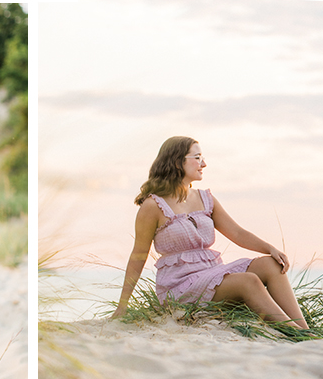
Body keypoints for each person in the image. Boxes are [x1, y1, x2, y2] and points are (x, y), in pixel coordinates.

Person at [111, 136, 309, 330]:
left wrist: (271, 249)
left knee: (271, 264)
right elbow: (138, 255)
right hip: (179, 286)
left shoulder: (206, 198)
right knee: (248, 281)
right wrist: (122, 305)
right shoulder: (153, 206)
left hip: (212, 274)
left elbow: (237, 233)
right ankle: (295, 333)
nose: (203, 163)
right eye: (197, 158)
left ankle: (306, 331)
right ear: (178, 162)